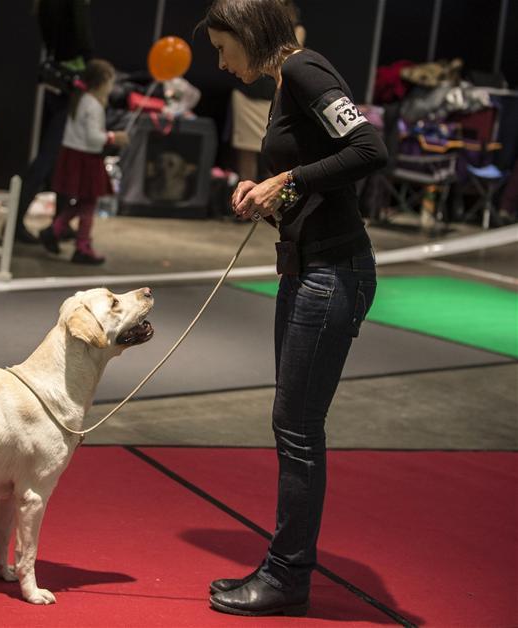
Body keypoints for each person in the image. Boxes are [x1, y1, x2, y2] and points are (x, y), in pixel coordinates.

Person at [201, 0, 387, 617]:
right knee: (295, 428)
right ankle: (286, 571)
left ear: (250, 36)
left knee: (298, 431)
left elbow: (367, 150)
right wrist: (270, 193)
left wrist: (287, 181)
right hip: (309, 270)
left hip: (333, 274)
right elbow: (315, 172)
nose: (221, 62)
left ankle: (286, 577)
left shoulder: (306, 71)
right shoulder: (287, 81)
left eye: (223, 47)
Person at [13, 0, 96, 244]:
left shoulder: (45, 5)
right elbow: (83, 42)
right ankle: (15, 223)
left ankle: (59, 223)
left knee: (60, 155)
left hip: (57, 83)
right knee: (50, 156)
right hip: (73, 83)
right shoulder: (73, 5)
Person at [38, 59, 127, 264]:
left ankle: (56, 230)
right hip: (86, 158)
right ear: (103, 82)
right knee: (88, 203)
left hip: (74, 155)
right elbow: (93, 137)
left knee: (85, 202)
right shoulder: (93, 105)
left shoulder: (80, 100)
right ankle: (82, 245)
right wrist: (114, 137)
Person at [228, 0, 305, 183]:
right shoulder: (251, 22)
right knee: (246, 151)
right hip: (247, 94)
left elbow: (288, 56)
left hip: (274, 96)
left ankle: (273, 203)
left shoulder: (296, 28)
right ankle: (245, 205)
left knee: (276, 151)